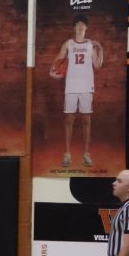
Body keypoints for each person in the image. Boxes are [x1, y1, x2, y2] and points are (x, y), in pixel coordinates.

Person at [51, 15, 103, 168]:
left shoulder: (90, 45)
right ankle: (67, 153)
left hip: (87, 86)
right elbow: (58, 60)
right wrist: (53, 71)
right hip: (71, 86)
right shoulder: (68, 44)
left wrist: (100, 48)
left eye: (83, 24)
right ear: (74, 27)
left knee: (86, 120)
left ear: (86, 28)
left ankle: (86, 153)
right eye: (78, 24)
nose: (80, 26)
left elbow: (98, 66)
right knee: (69, 120)